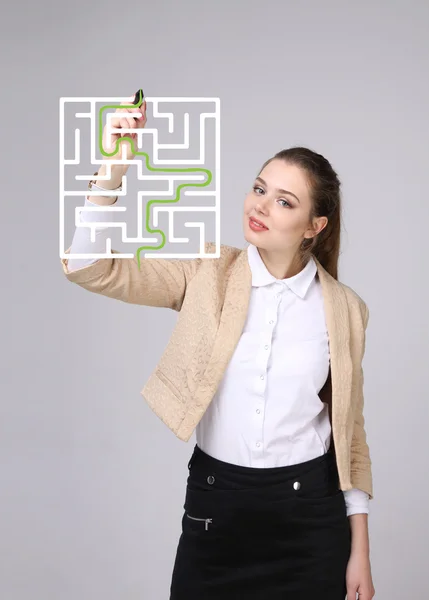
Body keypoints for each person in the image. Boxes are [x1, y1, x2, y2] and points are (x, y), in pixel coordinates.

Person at [60, 93, 375, 599]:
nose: (260, 205)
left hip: (311, 524)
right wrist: (112, 172)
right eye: (259, 188)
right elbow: (89, 267)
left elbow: (350, 435)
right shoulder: (207, 272)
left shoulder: (346, 310)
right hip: (216, 509)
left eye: (284, 201)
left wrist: (359, 550)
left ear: (315, 227)